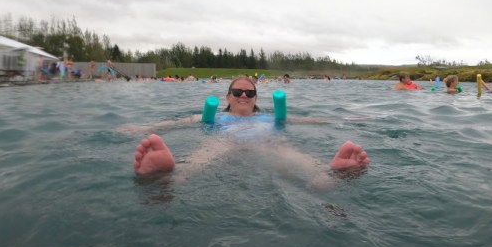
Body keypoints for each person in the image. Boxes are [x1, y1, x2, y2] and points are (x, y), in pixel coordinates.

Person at [128, 76, 369, 188]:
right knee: (205, 154)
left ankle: (329, 177)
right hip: (225, 138)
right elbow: (177, 122)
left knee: (289, 152)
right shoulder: (215, 117)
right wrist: (142, 129)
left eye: (250, 93)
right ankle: (166, 178)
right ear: (228, 97)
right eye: (238, 92)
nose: (244, 95)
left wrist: (348, 118)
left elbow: (311, 120)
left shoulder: (271, 117)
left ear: (255, 98)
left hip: (267, 141)